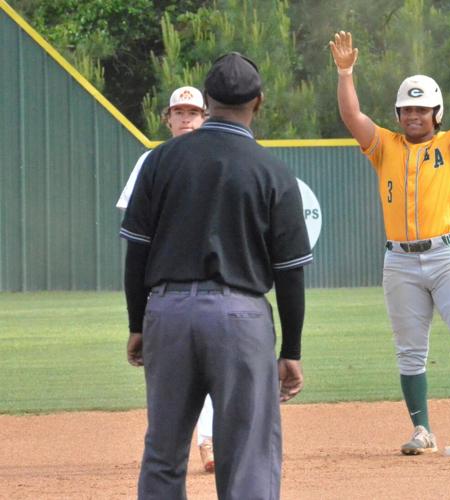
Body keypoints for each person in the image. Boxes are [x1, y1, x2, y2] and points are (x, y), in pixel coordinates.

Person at [120, 52, 311, 498]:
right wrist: (292, 349)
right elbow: (289, 273)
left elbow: (137, 252)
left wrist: (136, 323)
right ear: (258, 102)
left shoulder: (160, 160)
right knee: (247, 455)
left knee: (163, 453)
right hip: (240, 318)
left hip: (167, 312)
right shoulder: (273, 171)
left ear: (207, 101)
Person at [329, 31, 450, 455]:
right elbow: (351, 115)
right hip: (400, 262)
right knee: (409, 352)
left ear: (437, 114)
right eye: (407, 109)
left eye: (421, 109)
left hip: (447, 255)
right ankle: (422, 431)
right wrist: (345, 73)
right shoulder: (384, 146)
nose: (413, 115)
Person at [116, 85, 218, 474]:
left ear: (205, 117)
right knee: (173, 378)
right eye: (180, 113)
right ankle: (173, 450)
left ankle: (208, 439)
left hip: (209, 278)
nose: (186, 119)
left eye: (193, 113)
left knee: (211, 366)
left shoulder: (217, 155)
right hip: (166, 283)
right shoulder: (150, 161)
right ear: (168, 119)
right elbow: (136, 231)